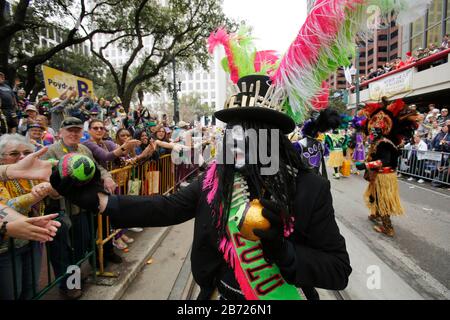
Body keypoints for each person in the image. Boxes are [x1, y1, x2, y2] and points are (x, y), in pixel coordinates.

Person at [50, 74, 351, 301]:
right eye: (231, 129)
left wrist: (284, 252)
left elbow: (338, 269)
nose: (235, 139)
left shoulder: (310, 188)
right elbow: (165, 207)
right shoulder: (216, 178)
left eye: (247, 130)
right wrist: (100, 202)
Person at [42, 117, 120, 299]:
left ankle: (75, 277)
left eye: (77, 130)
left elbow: (98, 167)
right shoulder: (51, 151)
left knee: (81, 245)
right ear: (60, 132)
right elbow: (44, 177)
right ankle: (69, 285)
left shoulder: (84, 149)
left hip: (81, 208)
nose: (74, 133)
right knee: (62, 251)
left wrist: (107, 176)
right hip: (60, 210)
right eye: (69, 130)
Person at [0, 134, 59, 300]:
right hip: (5, 247)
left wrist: (52, 186)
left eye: (26, 152)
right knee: (11, 293)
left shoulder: (33, 173)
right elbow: (6, 208)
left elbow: (56, 195)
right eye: (14, 154)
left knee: (31, 288)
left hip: (33, 239)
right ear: (1, 158)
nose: (22, 157)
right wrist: (36, 195)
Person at [356, 98, 419, 237]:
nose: (373, 130)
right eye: (373, 128)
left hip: (384, 175)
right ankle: (377, 214)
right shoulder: (380, 141)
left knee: (382, 199)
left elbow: (384, 161)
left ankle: (388, 228)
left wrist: (365, 165)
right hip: (379, 175)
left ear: (384, 129)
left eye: (377, 129)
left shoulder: (384, 143)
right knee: (376, 196)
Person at [294, 109, 341, 178]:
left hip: (300, 177)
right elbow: (326, 152)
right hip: (315, 177)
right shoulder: (322, 146)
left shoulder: (300, 144)